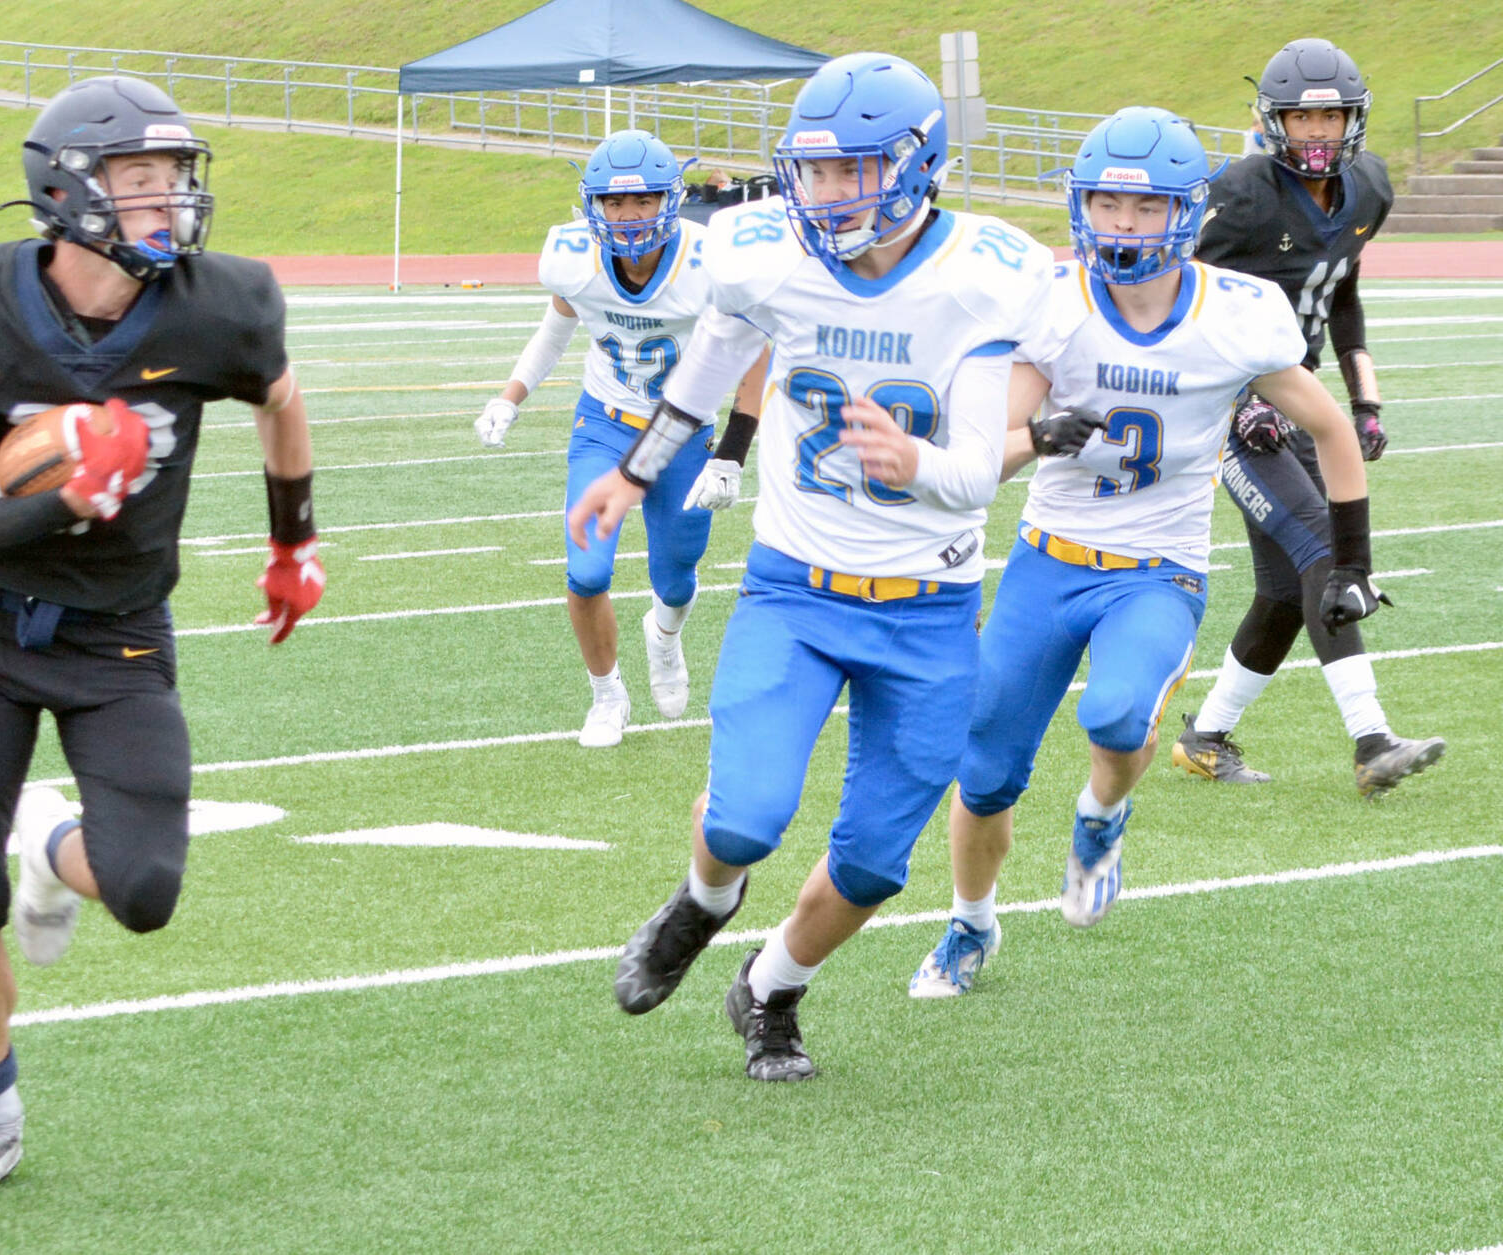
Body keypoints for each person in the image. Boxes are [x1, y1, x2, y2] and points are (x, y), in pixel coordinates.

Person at [574, 53, 1054, 1080]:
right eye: (814, 171)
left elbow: (973, 473)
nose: (826, 194)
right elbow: (707, 364)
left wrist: (911, 460)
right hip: (793, 589)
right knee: (743, 819)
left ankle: (769, 989)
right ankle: (703, 902)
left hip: (928, 610)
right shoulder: (762, 252)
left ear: (921, 165)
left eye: (854, 172)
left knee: (876, 862)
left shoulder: (983, 276)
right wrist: (632, 471)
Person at [0, 76, 323, 1200]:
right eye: (141, 181)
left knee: (142, 891)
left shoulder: (214, 306)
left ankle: (49, 846)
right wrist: (65, 495)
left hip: (119, 638)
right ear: (66, 191)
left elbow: (279, 399)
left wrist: (293, 543)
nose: (170, 203)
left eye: (177, 178)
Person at [908, 107, 1381, 997]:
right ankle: (970, 922)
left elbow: (1328, 427)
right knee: (984, 772)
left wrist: (1351, 558)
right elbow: (987, 449)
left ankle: (1103, 813)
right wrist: (1037, 437)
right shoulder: (1054, 301)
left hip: (1159, 567)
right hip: (1051, 556)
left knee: (1120, 718)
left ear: (1186, 211)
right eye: (1107, 204)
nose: (1122, 225)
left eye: (1144, 206)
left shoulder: (1235, 313)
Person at [1172, 37, 1444, 797]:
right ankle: (1371, 739)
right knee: (1323, 542)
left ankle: (1206, 736)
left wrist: (1364, 397)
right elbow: (1177, 300)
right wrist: (1240, 395)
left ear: (1353, 119)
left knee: (1287, 592)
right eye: (1301, 117)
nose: (1317, 133)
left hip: (1300, 396)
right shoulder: (1242, 195)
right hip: (1224, 409)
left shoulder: (1369, 189)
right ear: (1274, 121)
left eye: (1330, 117)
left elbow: (1341, 291)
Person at [476, 130, 762, 747]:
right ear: (591, 205)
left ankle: (663, 635)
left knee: (678, 576)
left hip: (683, 433)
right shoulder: (573, 259)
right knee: (586, 571)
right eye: (613, 202)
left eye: (643, 201)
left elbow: (756, 350)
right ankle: (607, 695)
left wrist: (734, 454)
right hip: (604, 423)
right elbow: (554, 332)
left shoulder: (709, 260)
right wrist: (510, 395)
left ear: (671, 199)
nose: (628, 216)